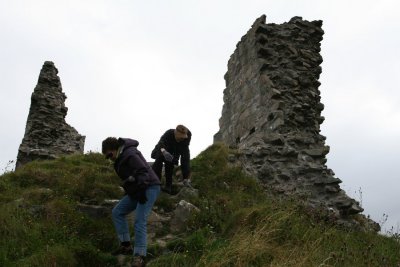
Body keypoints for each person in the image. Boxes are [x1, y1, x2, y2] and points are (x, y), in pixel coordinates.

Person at [102, 137, 160, 267]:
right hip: (137, 189)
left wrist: (142, 191)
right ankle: (126, 246)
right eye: (107, 157)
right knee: (117, 212)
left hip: (149, 187)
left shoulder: (130, 153)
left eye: (109, 155)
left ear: (115, 149)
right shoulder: (119, 158)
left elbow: (143, 171)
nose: (109, 158)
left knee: (139, 220)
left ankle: (140, 256)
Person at [151, 125, 192, 194]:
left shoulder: (186, 140)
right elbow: (160, 144)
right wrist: (164, 152)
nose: (182, 139)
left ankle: (168, 186)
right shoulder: (168, 133)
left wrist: (186, 177)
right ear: (175, 133)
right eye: (180, 138)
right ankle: (156, 183)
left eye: (183, 138)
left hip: (174, 152)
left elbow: (185, 159)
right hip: (163, 149)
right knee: (158, 161)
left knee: (170, 164)